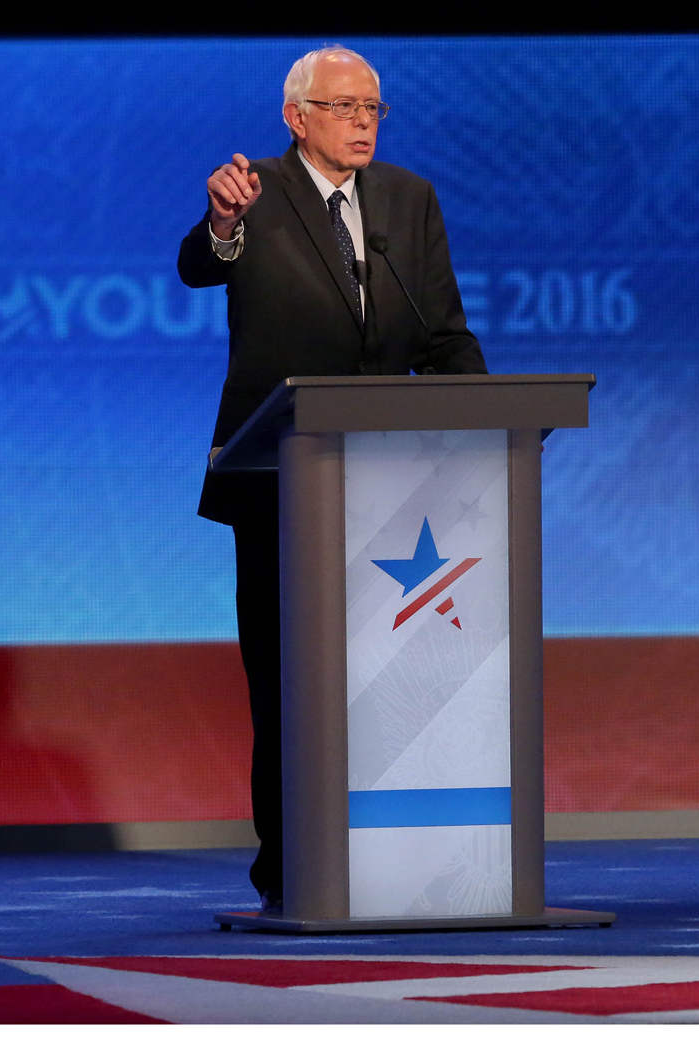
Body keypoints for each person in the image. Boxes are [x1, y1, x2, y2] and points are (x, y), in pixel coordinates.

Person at [177, 46, 487, 912]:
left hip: (395, 489)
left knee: (394, 680)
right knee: (287, 682)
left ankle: (400, 859)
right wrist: (222, 221)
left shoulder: (408, 200)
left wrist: (489, 428)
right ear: (296, 116)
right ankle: (293, 869)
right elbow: (202, 262)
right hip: (281, 481)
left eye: (374, 108)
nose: (362, 122)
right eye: (344, 106)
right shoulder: (253, 191)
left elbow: (443, 335)